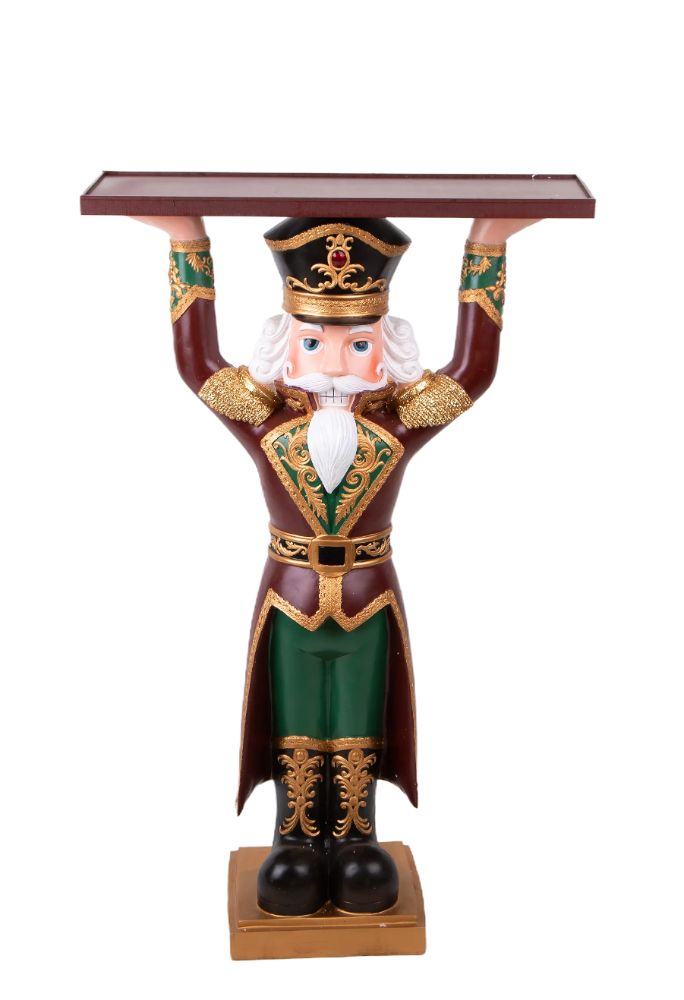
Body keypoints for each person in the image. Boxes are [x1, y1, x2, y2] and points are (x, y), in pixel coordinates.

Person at [132, 212, 539, 916]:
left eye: (358, 345)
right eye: (314, 342)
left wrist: (488, 245)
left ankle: (355, 838)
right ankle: (293, 837)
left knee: (358, 717)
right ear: (285, 348)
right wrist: (185, 239)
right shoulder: (264, 422)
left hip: (368, 595)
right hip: (290, 595)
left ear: (388, 353)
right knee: (295, 718)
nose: (334, 362)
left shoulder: (398, 424)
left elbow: (474, 371)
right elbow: (197, 364)